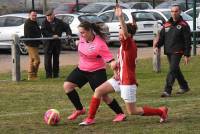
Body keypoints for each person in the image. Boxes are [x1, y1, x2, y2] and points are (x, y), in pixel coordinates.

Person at [79, 5, 168, 126]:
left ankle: (161, 111)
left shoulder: (129, 44)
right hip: (120, 78)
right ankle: (90, 119)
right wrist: (116, 70)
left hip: (127, 81)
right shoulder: (123, 46)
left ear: (129, 35)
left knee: (132, 111)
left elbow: (125, 33)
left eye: (121, 31)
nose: (120, 33)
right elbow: (122, 63)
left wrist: (120, 17)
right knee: (98, 91)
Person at [63, 21, 126, 122]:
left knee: (103, 95)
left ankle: (120, 113)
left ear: (89, 31)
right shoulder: (82, 38)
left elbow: (111, 61)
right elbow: (83, 47)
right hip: (82, 69)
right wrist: (78, 43)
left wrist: (115, 72)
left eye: (83, 32)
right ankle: (80, 109)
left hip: (97, 72)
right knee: (67, 86)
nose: (81, 35)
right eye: (80, 33)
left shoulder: (99, 44)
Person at [155, 4, 191, 97]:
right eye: (172, 11)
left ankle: (167, 90)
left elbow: (187, 41)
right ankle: (184, 86)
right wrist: (157, 46)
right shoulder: (167, 24)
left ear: (179, 12)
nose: (174, 13)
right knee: (175, 70)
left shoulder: (184, 25)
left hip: (178, 51)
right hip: (169, 51)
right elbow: (162, 37)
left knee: (172, 70)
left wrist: (187, 54)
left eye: (176, 11)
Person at [41, 9, 72, 78]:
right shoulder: (44, 23)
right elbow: (44, 32)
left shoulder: (59, 22)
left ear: (53, 15)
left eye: (50, 16)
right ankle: (48, 75)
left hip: (57, 44)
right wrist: (52, 36)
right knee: (47, 61)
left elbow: (67, 27)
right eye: (47, 16)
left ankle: (56, 74)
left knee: (56, 60)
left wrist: (69, 34)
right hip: (48, 44)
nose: (49, 17)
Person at [24, 9, 42, 80]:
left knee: (32, 60)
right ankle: (32, 74)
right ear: (29, 15)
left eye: (35, 15)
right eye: (33, 15)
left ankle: (32, 76)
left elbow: (38, 32)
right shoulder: (28, 23)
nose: (34, 17)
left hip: (35, 44)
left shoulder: (35, 22)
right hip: (31, 44)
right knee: (37, 60)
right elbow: (30, 35)